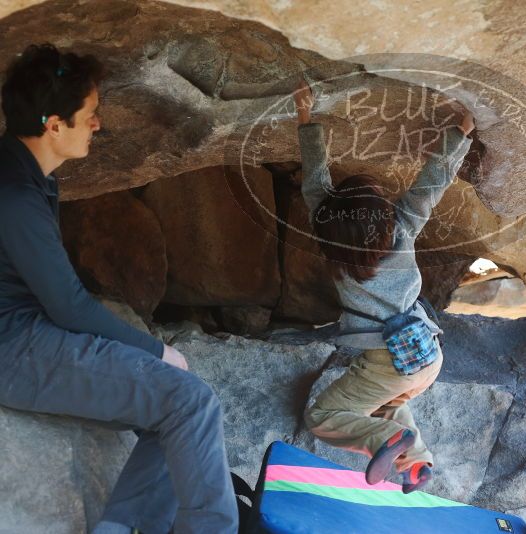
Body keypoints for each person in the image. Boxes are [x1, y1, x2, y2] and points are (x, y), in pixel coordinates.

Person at [0, 44, 238, 533]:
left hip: (24, 334)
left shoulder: (21, 176)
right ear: (54, 125)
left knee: (173, 413)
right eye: (90, 115)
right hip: (14, 349)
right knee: (188, 401)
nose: (98, 125)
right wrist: (156, 350)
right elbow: (67, 305)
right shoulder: (15, 195)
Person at [296, 79, 474, 493]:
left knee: (321, 417)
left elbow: (314, 179)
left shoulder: (333, 242)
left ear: (332, 215)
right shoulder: (402, 228)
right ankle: (417, 466)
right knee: (386, 406)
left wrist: (305, 116)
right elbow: (432, 183)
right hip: (427, 355)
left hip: (387, 362)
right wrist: (460, 132)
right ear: (381, 211)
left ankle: (386, 442)